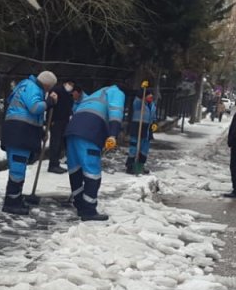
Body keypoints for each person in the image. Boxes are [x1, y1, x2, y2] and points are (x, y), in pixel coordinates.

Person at [65, 84, 125, 221]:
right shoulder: (116, 92)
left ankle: (80, 205)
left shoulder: (95, 95)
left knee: (75, 169)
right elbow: (116, 111)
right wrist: (113, 134)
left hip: (72, 131)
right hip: (89, 131)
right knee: (92, 172)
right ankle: (89, 210)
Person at [0, 71, 57, 214]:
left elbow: (28, 113)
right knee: (18, 168)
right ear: (47, 85)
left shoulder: (26, 86)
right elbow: (35, 108)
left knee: (17, 166)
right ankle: (11, 202)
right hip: (20, 132)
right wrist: (49, 102)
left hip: (17, 131)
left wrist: (40, 131)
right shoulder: (32, 88)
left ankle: (15, 198)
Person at [46, 81, 75, 174]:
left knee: (60, 143)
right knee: (55, 142)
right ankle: (52, 165)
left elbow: (68, 107)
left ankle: (56, 163)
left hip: (64, 121)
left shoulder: (69, 94)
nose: (71, 86)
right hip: (56, 121)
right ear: (65, 83)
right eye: (70, 84)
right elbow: (50, 104)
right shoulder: (56, 90)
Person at [125, 92, 157, 174]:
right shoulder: (138, 103)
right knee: (134, 148)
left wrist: (154, 124)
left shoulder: (152, 105)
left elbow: (153, 117)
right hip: (137, 128)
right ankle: (130, 166)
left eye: (151, 96)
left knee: (144, 150)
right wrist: (142, 93)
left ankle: (140, 166)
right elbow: (138, 98)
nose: (151, 97)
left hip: (147, 130)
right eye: (149, 95)